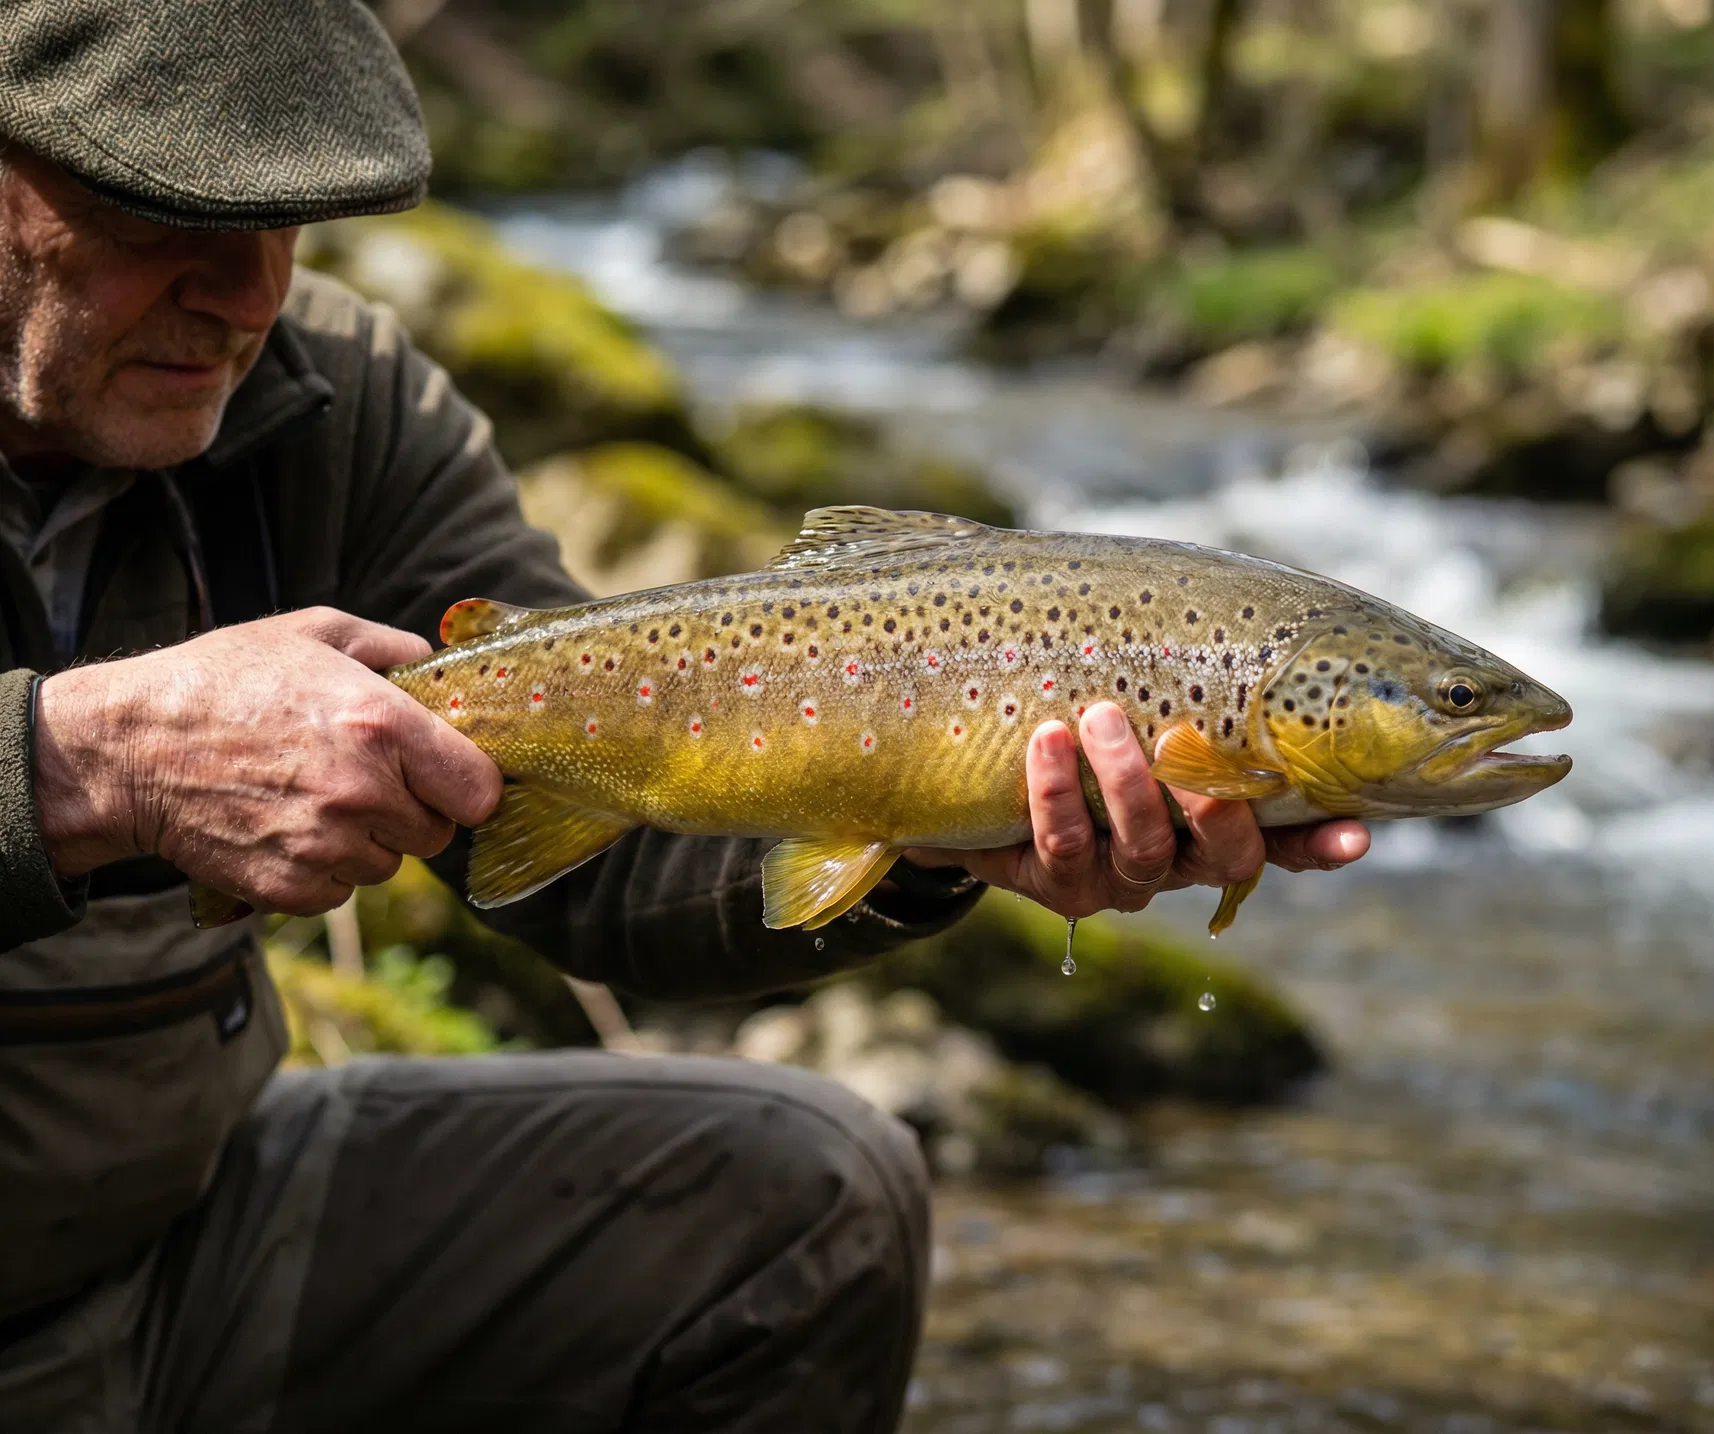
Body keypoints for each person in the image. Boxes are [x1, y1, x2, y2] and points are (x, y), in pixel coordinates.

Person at [0, 3, 1370, 1430]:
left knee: (811, 1197)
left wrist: (921, 822)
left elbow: (609, 865)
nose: (244, 293)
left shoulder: (335, 400)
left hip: (180, 1242)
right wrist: (81, 767)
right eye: (163, 212)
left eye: (286, 219)